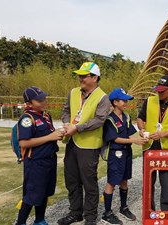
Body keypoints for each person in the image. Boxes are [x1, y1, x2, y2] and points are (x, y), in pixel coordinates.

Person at [58, 62, 110, 225]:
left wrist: (77, 128)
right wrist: (67, 123)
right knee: (71, 179)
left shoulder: (103, 97)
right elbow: (66, 111)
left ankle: (90, 217)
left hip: (89, 146)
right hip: (72, 142)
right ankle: (75, 212)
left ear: (95, 78)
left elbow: (99, 120)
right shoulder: (73, 92)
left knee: (89, 182)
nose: (80, 78)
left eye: (84, 75)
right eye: (79, 75)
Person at [15, 86, 63, 225]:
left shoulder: (46, 116)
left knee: (44, 193)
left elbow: (49, 135)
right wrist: (50, 137)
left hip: (49, 160)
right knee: (31, 195)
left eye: (44, 98)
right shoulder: (27, 119)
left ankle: (40, 220)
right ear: (29, 104)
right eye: (39, 100)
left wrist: (58, 134)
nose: (44, 101)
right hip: (36, 163)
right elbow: (24, 143)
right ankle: (21, 222)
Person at [137, 74, 168, 211]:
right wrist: (141, 129)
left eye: (162, 91)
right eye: (157, 90)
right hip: (149, 148)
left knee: (167, 181)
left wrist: (162, 134)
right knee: (148, 181)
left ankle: (167, 211)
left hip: (167, 149)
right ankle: (148, 209)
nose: (158, 92)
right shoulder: (150, 101)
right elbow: (140, 118)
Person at [101, 88, 148, 224]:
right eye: (123, 100)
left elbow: (129, 133)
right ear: (115, 102)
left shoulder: (126, 117)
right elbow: (114, 139)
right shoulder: (109, 120)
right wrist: (134, 141)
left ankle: (123, 207)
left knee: (124, 180)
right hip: (116, 154)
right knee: (112, 182)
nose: (126, 102)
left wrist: (141, 134)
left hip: (127, 153)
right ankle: (107, 213)